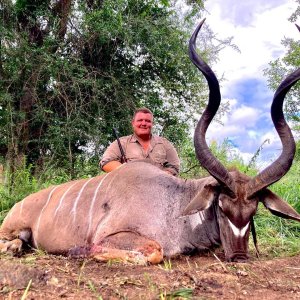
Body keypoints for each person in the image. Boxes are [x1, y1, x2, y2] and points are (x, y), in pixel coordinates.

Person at [100, 108, 180, 176]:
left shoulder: (165, 144)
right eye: (140, 120)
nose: (143, 123)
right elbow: (106, 162)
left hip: (159, 188)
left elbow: (174, 167)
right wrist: (127, 171)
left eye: (148, 121)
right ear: (133, 123)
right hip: (129, 188)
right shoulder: (121, 142)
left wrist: (159, 177)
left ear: (152, 124)